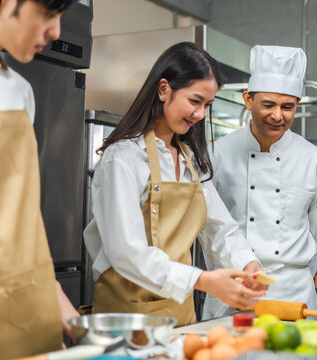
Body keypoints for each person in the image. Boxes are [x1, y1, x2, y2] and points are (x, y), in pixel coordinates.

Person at [83, 42, 267, 327]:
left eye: (207, 105)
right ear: (164, 89)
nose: (201, 114)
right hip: (128, 322)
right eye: (195, 101)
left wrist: (247, 266)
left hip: (181, 318)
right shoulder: (123, 158)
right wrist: (203, 280)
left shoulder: (190, 159)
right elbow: (125, 252)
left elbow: (220, 230)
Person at [0, 0, 79, 358]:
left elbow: (22, 219)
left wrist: (54, 294)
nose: (56, 32)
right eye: (49, 13)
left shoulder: (21, 91)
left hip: (28, 312)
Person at [202, 45, 317, 319]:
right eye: (268, 105)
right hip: (232, 290)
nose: (278, 115)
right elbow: (208, 227)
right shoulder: (216, 153)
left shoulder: (314, 160)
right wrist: (227, 272)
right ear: (248, 100)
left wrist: (295, 276)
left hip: (293, 295)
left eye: (288, 107)